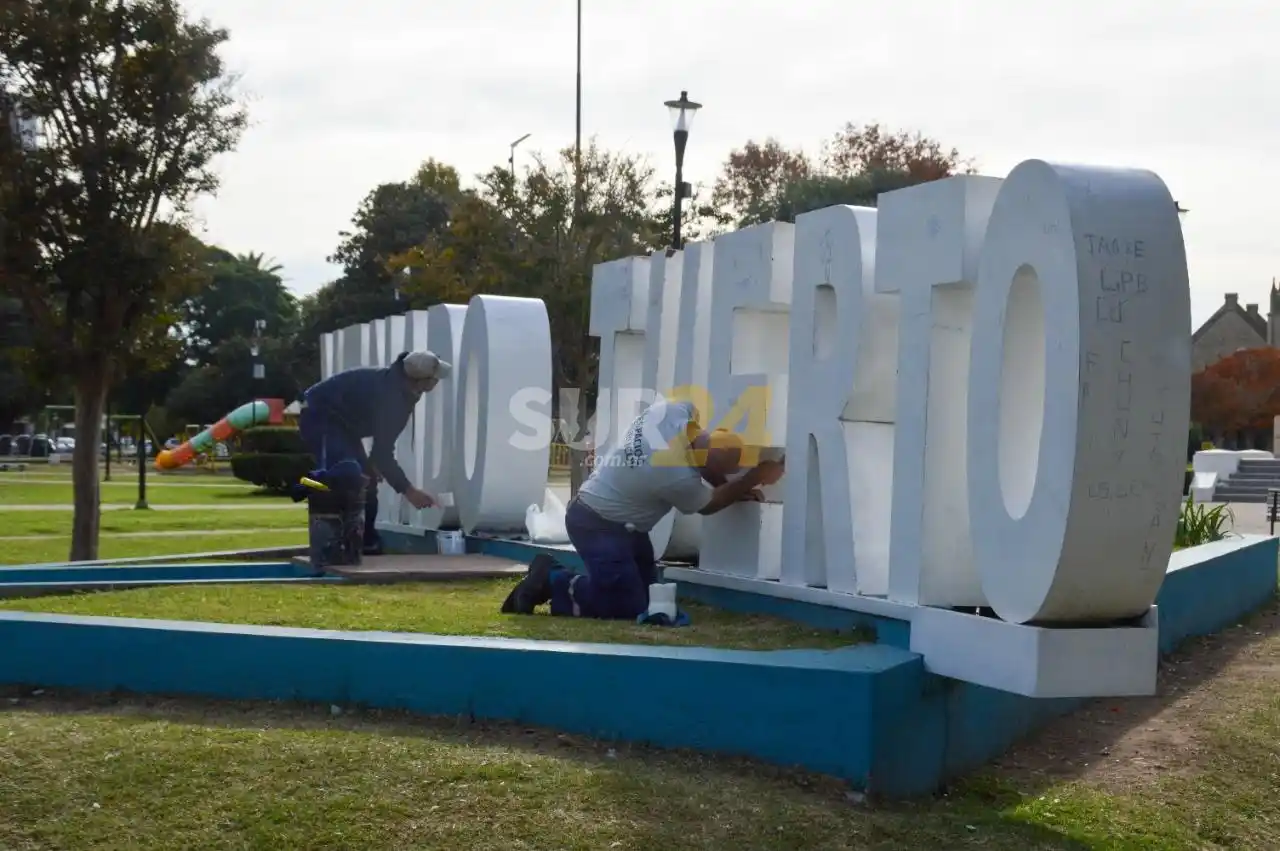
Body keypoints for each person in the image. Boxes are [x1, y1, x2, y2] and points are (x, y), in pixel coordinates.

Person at [501, 397, 785, 618]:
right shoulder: (674, 476)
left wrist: (732, 485)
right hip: (597, 524)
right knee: (626, 605)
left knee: (651, 599)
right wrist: (754, 477)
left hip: (621, 523)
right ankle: (552, 580)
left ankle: (574, 579)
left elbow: (706, 461)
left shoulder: (673, 412)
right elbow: (709, 505)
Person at [298, 350, 446, 554]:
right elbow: (384, 451)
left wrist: (374, 464)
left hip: (344, 424)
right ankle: (333, 534)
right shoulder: (393, 397)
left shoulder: (401, 389)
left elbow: (382, 445)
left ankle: (366, 541)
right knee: (347, 476)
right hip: (320, 416)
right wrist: (409, 491)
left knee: (366, 479)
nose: (438, 381)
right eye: (435, 378)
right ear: (421, 382)